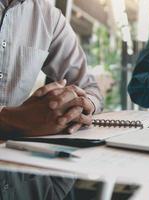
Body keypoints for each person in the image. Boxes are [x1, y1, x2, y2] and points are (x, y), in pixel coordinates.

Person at [0, 0, 103, 136]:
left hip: (13, 147)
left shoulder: (49, 17)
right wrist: (10, 118)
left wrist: (80, 106)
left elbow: (89, 87)